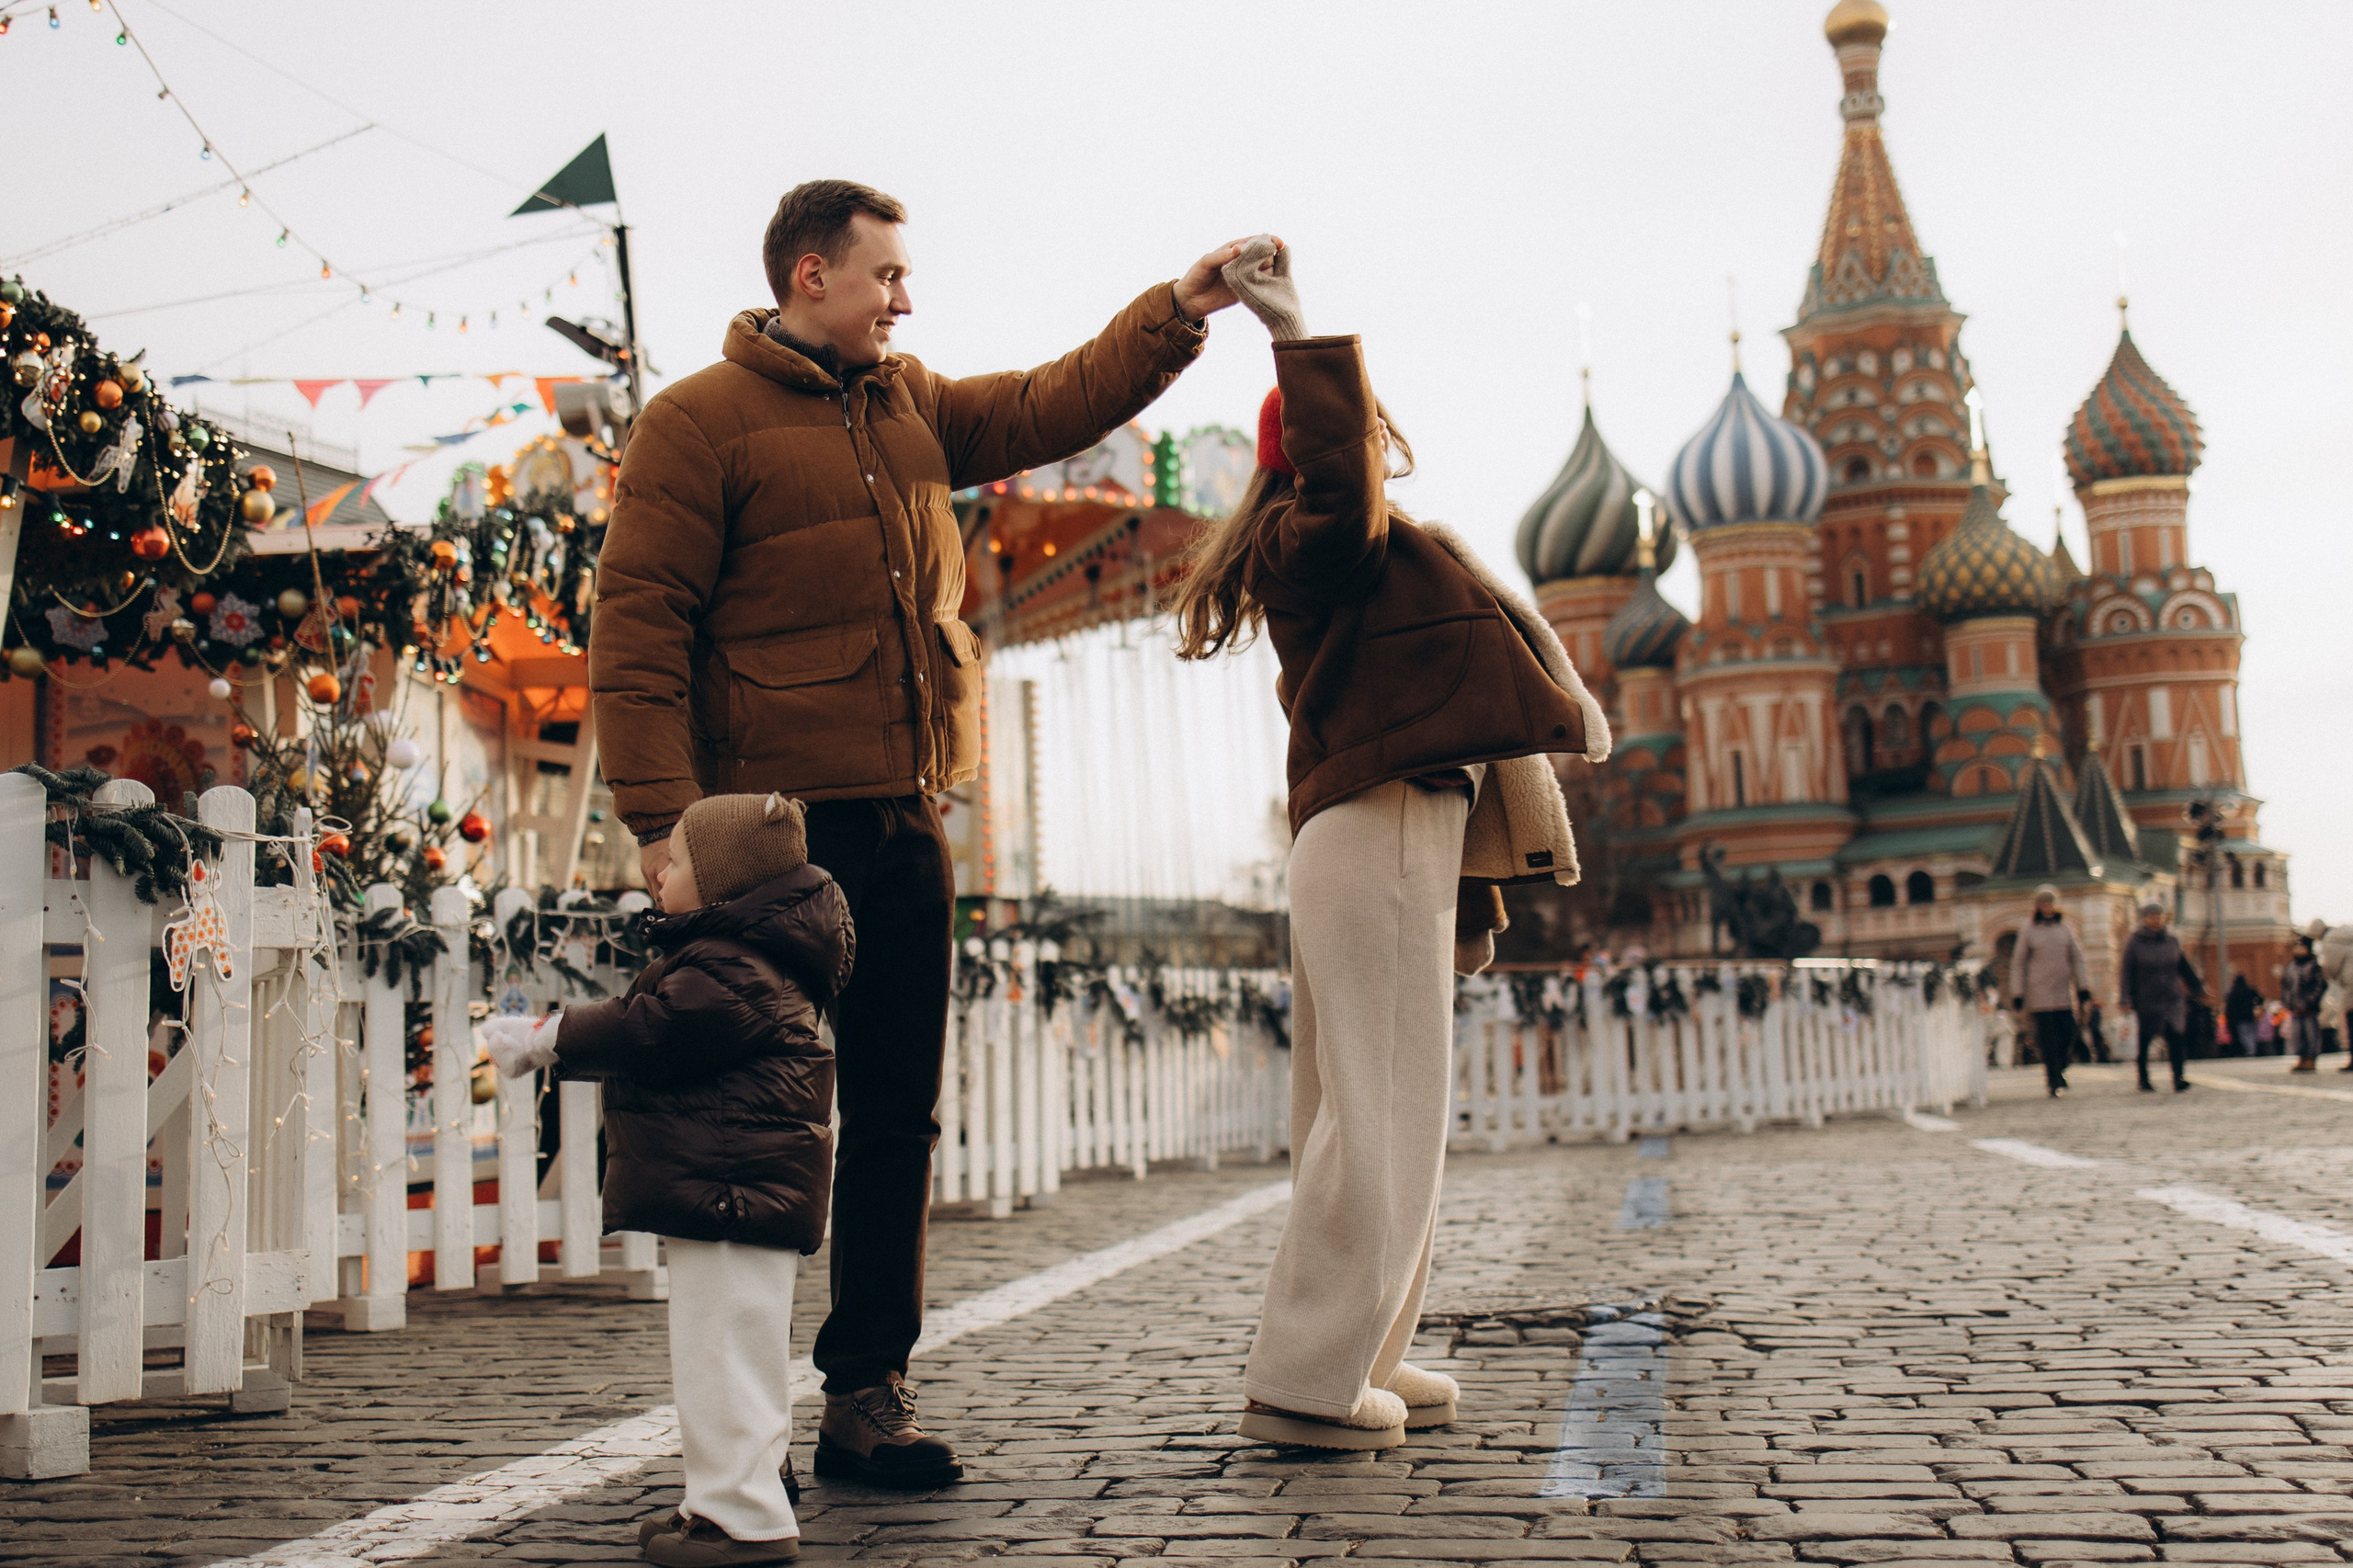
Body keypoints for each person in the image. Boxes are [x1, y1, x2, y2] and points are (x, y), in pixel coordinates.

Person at [589, 179, 1252, 1484]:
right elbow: (638, 627)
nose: (906, 297)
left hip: (903, 817)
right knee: (758, 1125)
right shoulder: (695, 423)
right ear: (811, 275)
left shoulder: (914, 408)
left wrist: (1178, 312)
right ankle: (739, 1431)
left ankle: (866, 1391)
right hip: (768, 838)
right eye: (886, 274)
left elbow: (1056, 398)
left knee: (899, 1115)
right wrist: (665, 828)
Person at [1169, 237, 1609, 1449]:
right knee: (1385, 1111)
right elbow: (1339, 481)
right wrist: (1292, 331)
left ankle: (1359, 1346)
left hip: (1372, 830)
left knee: (1369, 1104)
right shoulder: (1325, 538)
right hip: (1384, 823)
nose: (1371, 443)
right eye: (1355, 433)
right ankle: (1311, 1382)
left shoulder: (1333, 556)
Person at [483, 792, 849, 1567]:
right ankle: (721, 1502)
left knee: (724, 1358)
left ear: (723, 882)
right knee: (728, 1354)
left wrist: (549, 1036)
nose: (658, 872)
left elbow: (649, 1028)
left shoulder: (733, 966)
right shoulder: (747, 958)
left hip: (732, 1190)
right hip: (734, 1189)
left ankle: (743, 1520)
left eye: (677, 860)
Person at [2007, 884, 2090, 1097]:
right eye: (2043, 903)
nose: (2047, 907)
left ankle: (2060, 1067)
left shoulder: (2065, 929)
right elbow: (2018, 963)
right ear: (2037, 906)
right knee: (2048, 1039)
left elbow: (2077, 958)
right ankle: (2053, 1079)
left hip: (2063, 992)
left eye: (2051, 902)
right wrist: (2017, 993)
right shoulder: (2029, 931)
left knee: (2069, 1033)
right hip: (2039, 994)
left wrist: (2083, 987)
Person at [2120, 899, 2204, 1093]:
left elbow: (2184, 967)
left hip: (2172, 998)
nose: (2156, 920)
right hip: (2146, 999)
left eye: (2159, 916)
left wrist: (2198, 989)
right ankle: (2143, 1078)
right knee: (2145, 1038)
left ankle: (2178, 1077)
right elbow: (2126, 972)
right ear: (2145, 919)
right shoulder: (2135, 942)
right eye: (2152, 917)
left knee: (2176, 1036)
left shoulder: (2171, 940)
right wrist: (2125, 998)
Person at [2282, 929, 2325, 1074]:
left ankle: (2310, 1059)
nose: (2298, 950)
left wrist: (2311, 1000)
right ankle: (2301, 1058)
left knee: (2311, 1035)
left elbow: (2319, 985)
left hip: (2309, 1008)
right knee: (2297, 1036)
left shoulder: (2313, 966)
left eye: (2301, 947)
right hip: (2295, 1008)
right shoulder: (2291, 967)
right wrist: (2287, 1001)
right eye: (2296, 947)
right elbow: (2285, 985)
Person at [2222, 973, 2262, 1057]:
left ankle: (2249, 1051)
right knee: (2251, 1035)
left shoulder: (2234, 993)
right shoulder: (2250, 991)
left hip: (2240, 1018)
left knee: (2244, 1035)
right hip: (2250, 1017)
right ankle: (2252, 1051)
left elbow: (2230, 1007)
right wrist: (2254, 1004)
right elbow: (2261, 999)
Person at [2082, 996, 2110, 1063]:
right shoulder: (2095, 1010)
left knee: (2097, 1044)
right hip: (2095, 1029)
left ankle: (2101, 1057)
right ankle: (2100, 1057)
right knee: (2096, 1044)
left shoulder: (2095, 1010)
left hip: (2095, 1029)